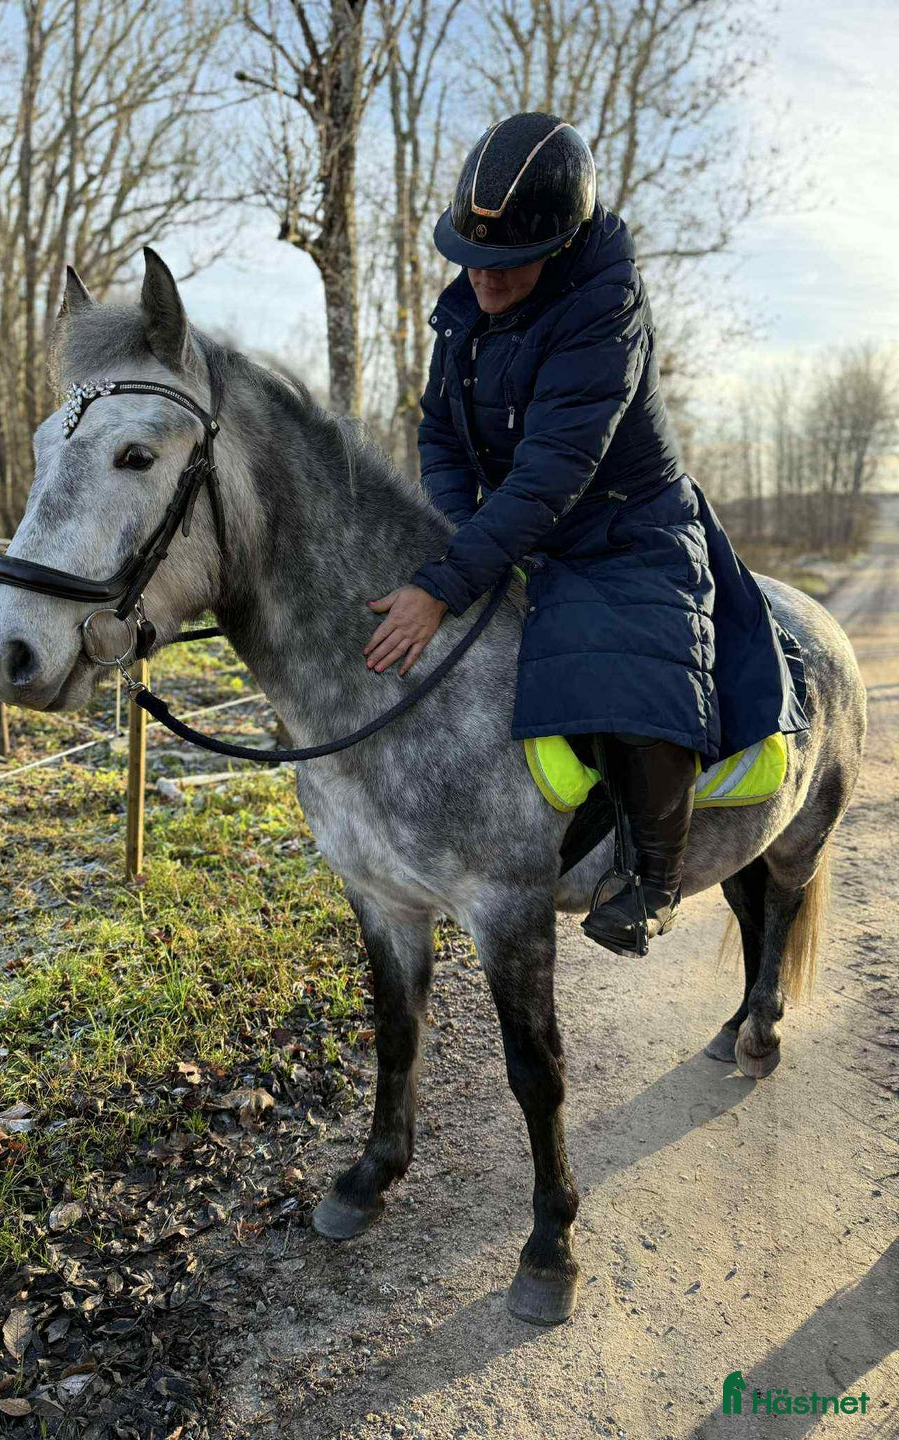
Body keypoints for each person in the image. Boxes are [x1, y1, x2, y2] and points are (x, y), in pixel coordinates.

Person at [363, 111, 807, 957]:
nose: (481, 280)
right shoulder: (468, 307)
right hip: (524, 528)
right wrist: (464, 535)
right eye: (471, 258)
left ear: (562, 247)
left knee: (624, 661)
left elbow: (554, 471)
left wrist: (446, 582)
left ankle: (651, 877)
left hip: (628, 528)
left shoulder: (607, 309)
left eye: (504, 263)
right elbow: (440, 434)